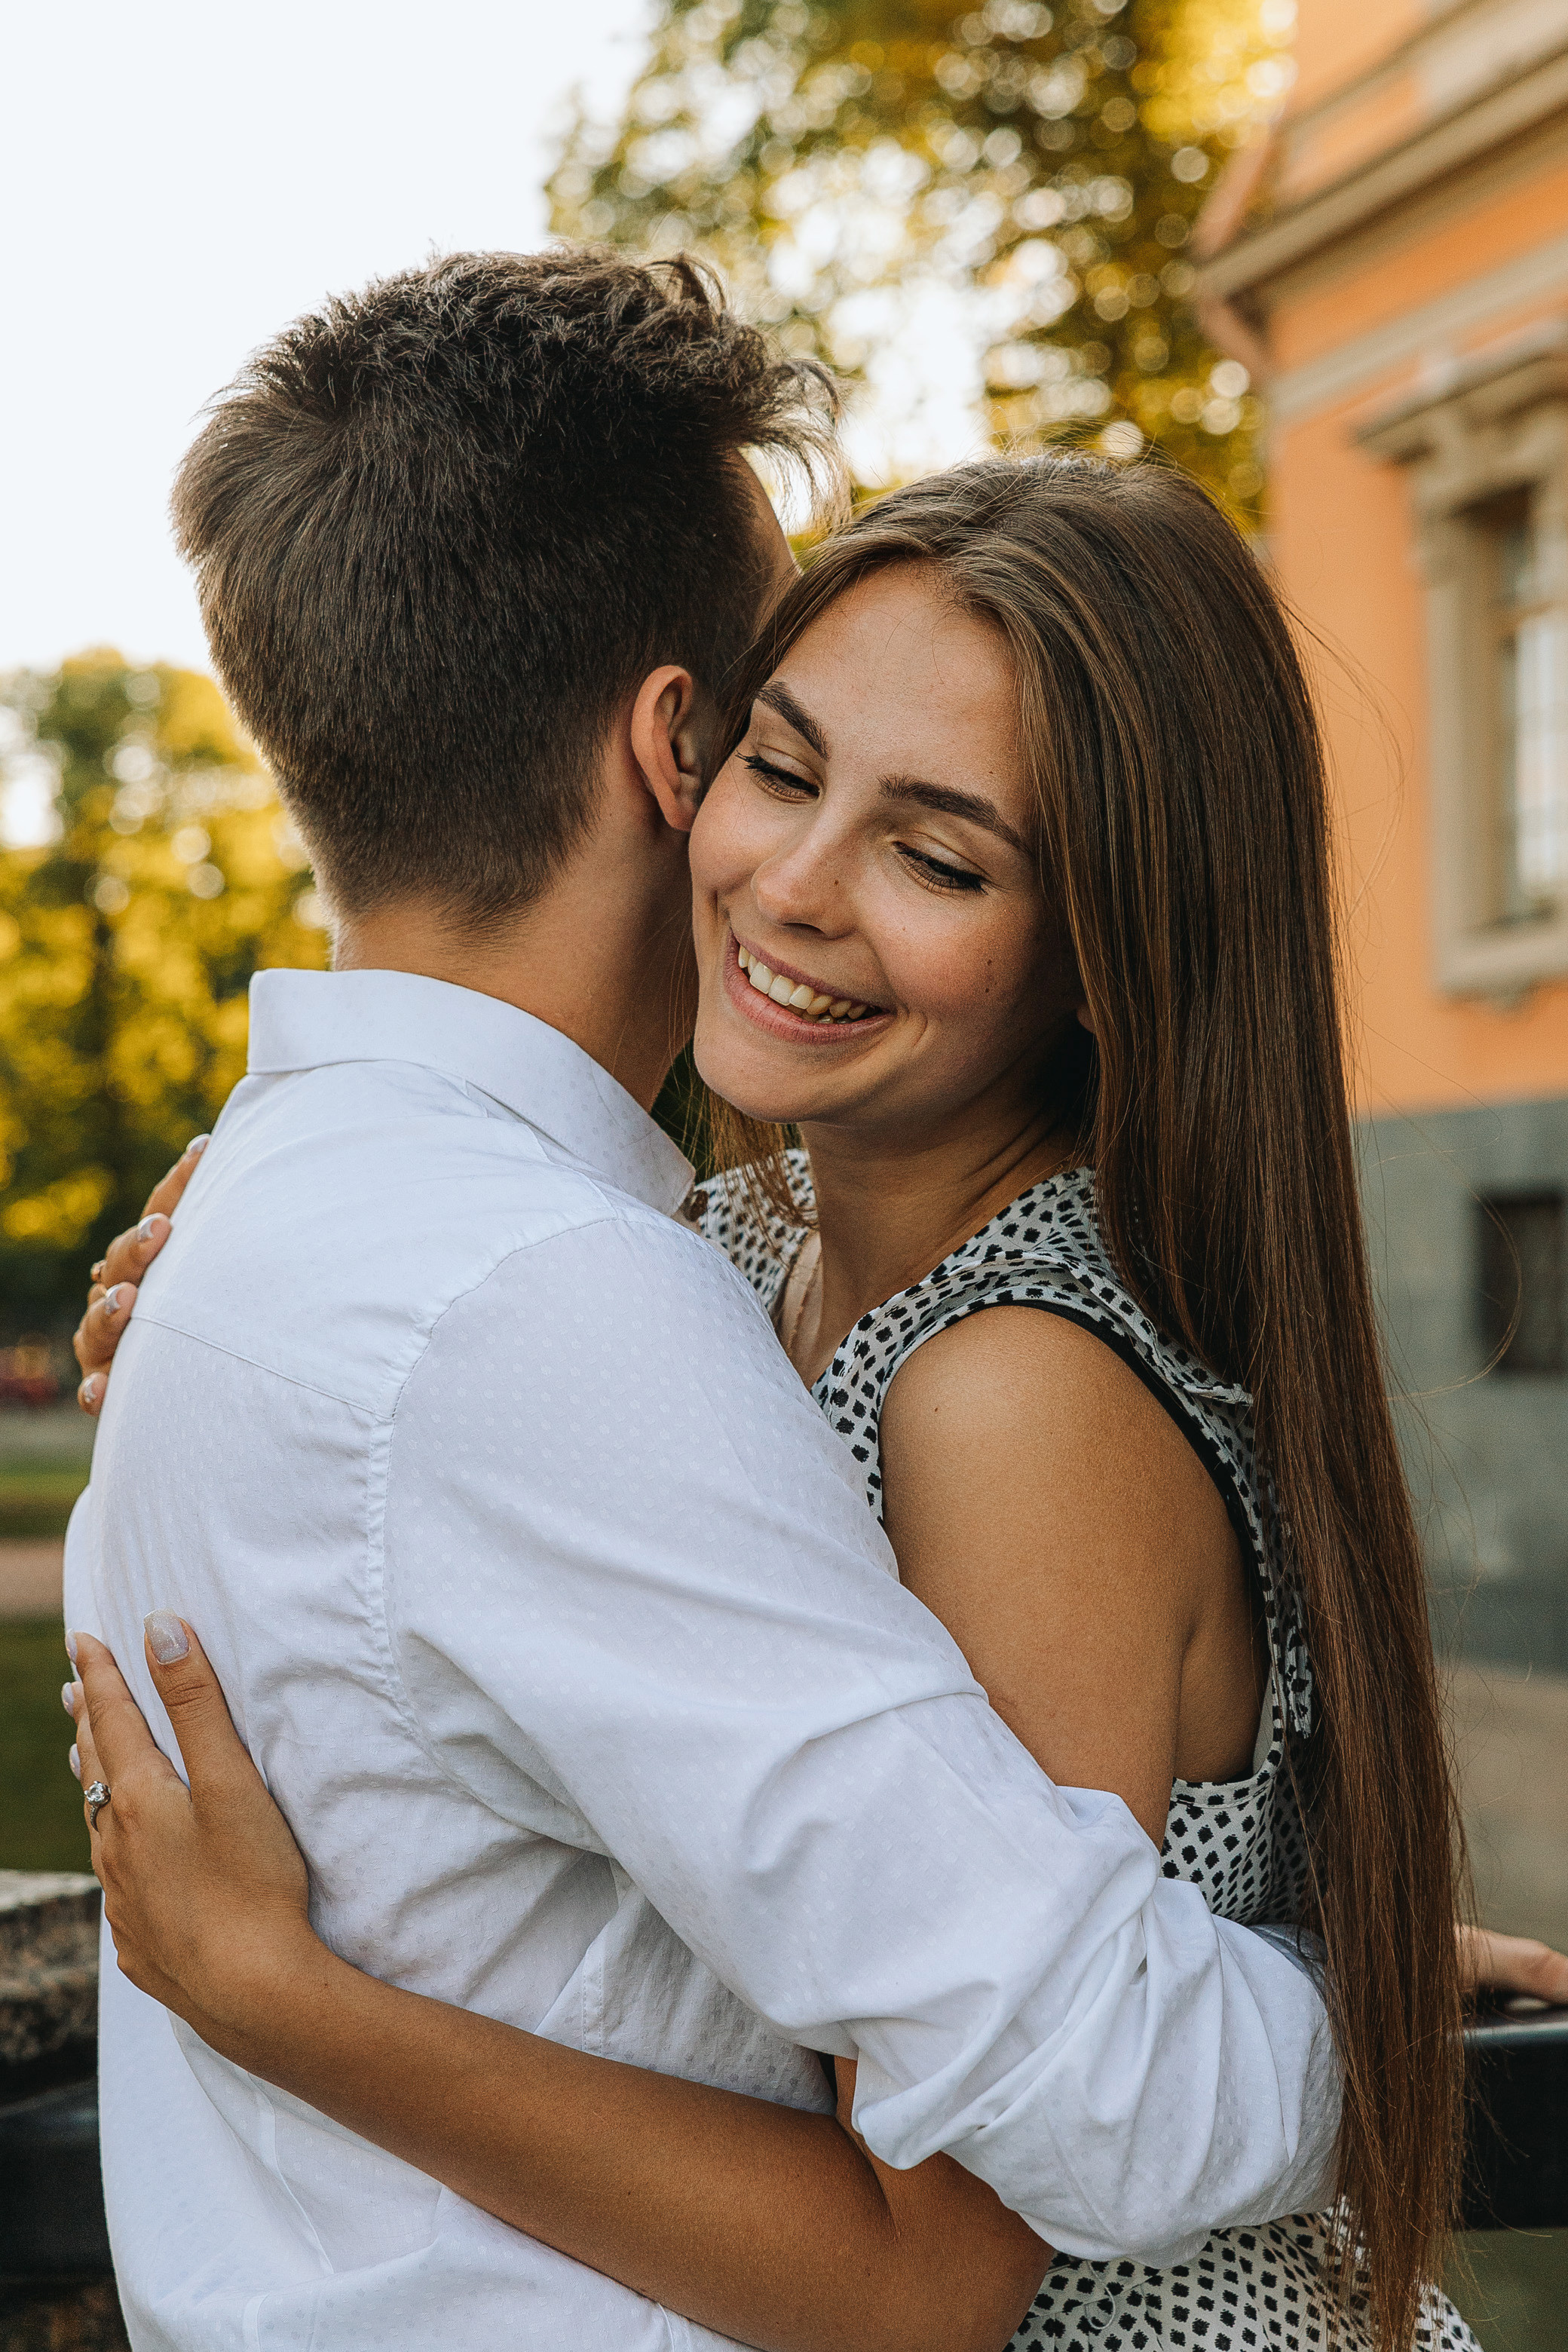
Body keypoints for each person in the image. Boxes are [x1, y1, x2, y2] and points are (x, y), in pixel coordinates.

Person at [69, 439, 1568, 2348]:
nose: (791, 884)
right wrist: (264, 1242)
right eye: (777, 769)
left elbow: (938, 2250)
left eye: (935, 854)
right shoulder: (741, 1249)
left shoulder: (1005, 1395)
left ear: (1108, 946)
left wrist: (294, 2006)